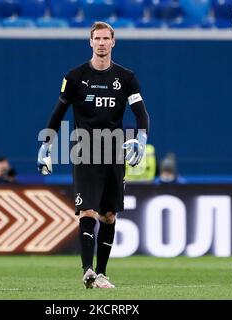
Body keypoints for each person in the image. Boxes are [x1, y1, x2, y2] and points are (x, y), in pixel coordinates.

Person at [36, 22, 150, 289]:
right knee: (87, 210)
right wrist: (46, 144)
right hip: (85, 149)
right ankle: (87, 270)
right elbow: (58, 113)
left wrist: (141, 139)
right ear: (90, 42)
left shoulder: (126, 78)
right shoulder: (75, 77)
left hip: (114, 151)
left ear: (113, 42)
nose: (101, 43)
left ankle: (101, 273)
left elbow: (141, 114)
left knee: (109, 215)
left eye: (105, 38)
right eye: (96, 38)